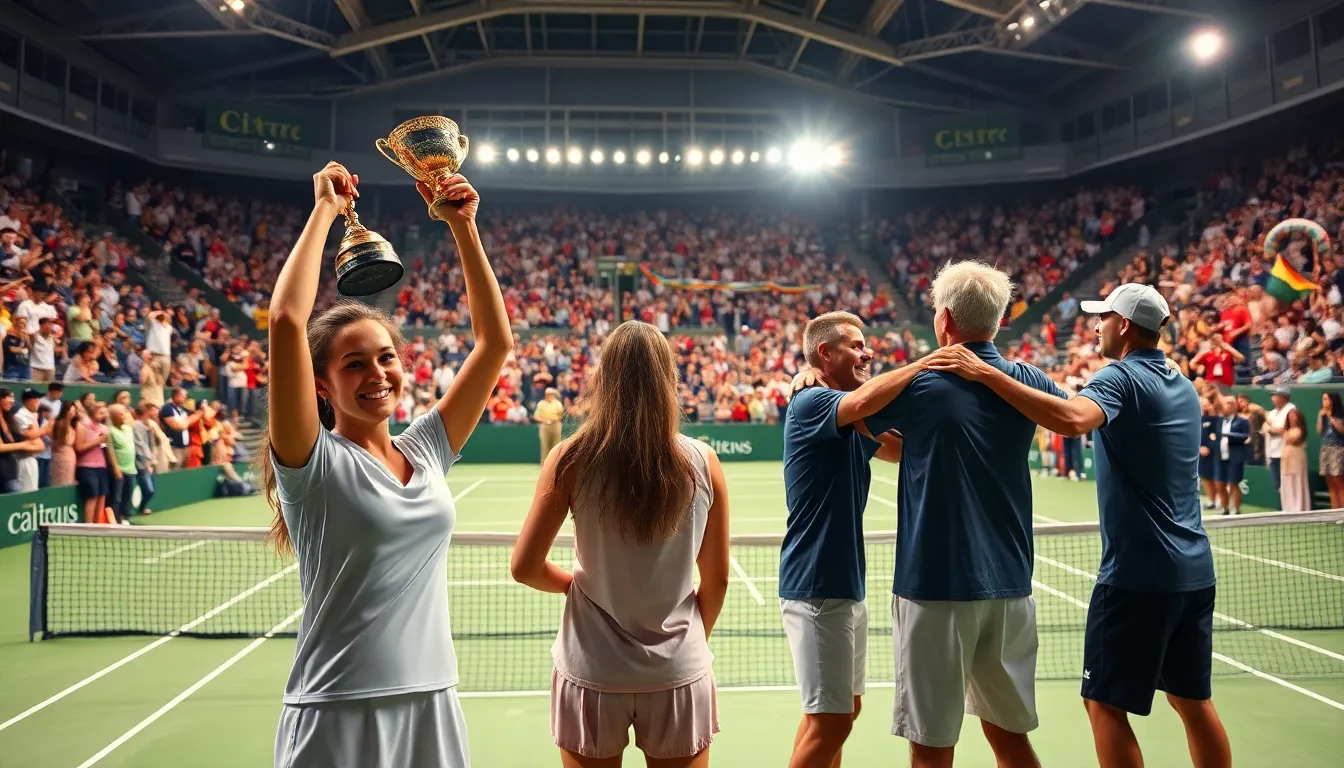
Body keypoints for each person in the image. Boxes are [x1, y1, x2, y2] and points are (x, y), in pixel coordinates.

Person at [924, 282, 1231, 768]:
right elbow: (1069, 404)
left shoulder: (1120, 378)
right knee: (1192, 701)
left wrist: (985, 374)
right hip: (1195, 569)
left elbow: (1070, 419)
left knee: (1103, 703)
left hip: (1137, 574)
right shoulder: (1182, 382)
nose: (1095, 325)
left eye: (1103, 317)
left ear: (1124, 326)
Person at [265, 161, 509, 768]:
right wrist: (324, 209)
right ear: (321, 385)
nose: (377, 374)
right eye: (354, 365)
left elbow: (494, 344)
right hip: (338, 709)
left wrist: (463, 226)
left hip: (432, 700)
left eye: (386, 358)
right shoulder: (311, 464)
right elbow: (286, 322)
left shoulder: (425, 449)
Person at [854, 263, 1058, 768]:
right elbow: (1067, 411)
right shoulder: (1028, 380)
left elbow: (858, 419)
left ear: (944, 320)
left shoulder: (922, 385)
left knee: (931, 748)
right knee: (1011, 740)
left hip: (936, 588)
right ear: (999, 321)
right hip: (1011, 584)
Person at [510, 321, 732, 768]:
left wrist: (578, 585)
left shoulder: (570, 458)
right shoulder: (703, 462)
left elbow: (525, 567)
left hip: (592, 671)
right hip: (678, 674)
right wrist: (683, 648)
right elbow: (718, 578)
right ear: (669, 379)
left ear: (603, 380)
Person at [778, 310, 920, 768]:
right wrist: (927, 363)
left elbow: (899, 449)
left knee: (838, 712)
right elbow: (862, 405)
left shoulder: (852, 419)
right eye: (857, 346)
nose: (869, 352)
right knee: (833, 720)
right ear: (825, 353)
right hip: (818, 583)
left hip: (844, 583)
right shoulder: (811, 403)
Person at [74, 401, 114, 523]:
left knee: (102, 496)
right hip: (86, 466)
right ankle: (89, 526)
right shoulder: (81, 426)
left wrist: (103, 441)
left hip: (101, 466)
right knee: (92, 496)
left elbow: (104, 447)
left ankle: (98, 525)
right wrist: (98, 441)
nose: (104, 415)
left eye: (105, 412)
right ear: (92, 412)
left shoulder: (104, 428)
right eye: (101, 412)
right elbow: (79, 448)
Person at [1214, 397, 1251, 516]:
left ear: (1235, 406)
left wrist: (1228, 435)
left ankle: (1236, 509)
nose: (1226, 406)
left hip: (1235, 456)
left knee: (1233, 483)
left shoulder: (1242, 421)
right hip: (1220, 456)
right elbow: (1214, 436)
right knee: (1219, 483)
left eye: (1229, 403)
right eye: (1224, 403)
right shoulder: (1219, 421)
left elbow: (1245, 436)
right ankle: (1225, 509)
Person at [11, 388, 47, 492]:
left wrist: (38, 433)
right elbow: (31, 435)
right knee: (27, 492)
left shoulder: (32, 414)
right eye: (37, 399)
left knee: (32, 491)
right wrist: (46, 429)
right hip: (24, 459)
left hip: (32, 457)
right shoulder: (20, 415)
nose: (39, 402)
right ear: (29, 401)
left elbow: (37, 438)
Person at [1261, 387, 1297, 494]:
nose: (1272, 398)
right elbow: (1266, 428)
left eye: (1275, 396)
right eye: (1272, 396)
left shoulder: (1291, 409)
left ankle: (1292, 508)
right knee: (1278, 484)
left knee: (1288, 483)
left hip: (1285, 452)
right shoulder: (1273, 412)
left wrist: (1272, 429)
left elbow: (1283, 429)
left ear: (1284, 397)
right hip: (1273, 452)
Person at [107, 404, 138, 523]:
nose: (124, 416)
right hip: (119, 470)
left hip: (131, 469)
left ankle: (125, 518)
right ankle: (114, 520)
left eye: (124, 413)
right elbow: (110, 451)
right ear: (113, 417)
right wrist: (115, 468)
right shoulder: (110, 431)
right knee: (117, 498)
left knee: (127, 497)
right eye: (120, 414)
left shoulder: (128, 428)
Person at [1278, 408, 1311, 512]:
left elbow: (1290, 439)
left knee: (1297, 482)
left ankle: (1299, 508)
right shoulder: (1287, 430)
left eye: (1294, 415)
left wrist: (1283, 431)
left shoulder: (1299, 430)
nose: (1291, 418)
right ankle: (1288, 508)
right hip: (1286, 459)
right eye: (1290, 415)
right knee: (1287, 482)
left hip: (1297, 459)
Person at [132, 401, 161, 515]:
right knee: (148, 489)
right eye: (149, 411)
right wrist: (148, 462)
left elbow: (152, 444)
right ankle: (140, 508)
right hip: (141, 464)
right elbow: (140, 446)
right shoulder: (136, 426)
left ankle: (142, 507)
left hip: (149, 463)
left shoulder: (149, 425)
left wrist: (152, 460)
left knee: (151, 489)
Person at [1318, 391, 1344, 508]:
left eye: (1326, 399)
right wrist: (1320, 416)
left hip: (1338, 450)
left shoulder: (1340, 416)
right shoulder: (1323, 415)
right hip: (1325, 449)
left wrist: (1330, 417)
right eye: (1323, 399)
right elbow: (1319, 431)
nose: (1324, 402)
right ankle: (1333, 513)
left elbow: (1341, 430)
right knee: (1330, 483)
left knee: (1339, 482)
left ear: (1333, 401)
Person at [49, 401, 79, 488]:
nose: (73, 414)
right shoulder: (61, 423)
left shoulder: (72, 424)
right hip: (62, 455)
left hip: (70, 455)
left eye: (74, 411)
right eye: (71, 411)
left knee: (69, 480)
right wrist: (67, 420)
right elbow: (62, 438)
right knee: (61, 481)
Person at [532, 387, 565, 462]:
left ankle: (556, 462)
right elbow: (536, 416)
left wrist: (555, 419)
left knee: (556, 444)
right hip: (544, 425)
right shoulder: (541, 404)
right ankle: (544, 463)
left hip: (556, 424)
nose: (550, 395)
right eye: (548, 394)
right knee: (545, 445)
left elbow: (561, 414)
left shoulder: (557, 403)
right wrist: (545, 420)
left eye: (551, 394)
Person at [1198, 398, 1219, 510]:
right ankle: (1211, 500)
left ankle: (1220, 499)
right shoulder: (1198, 419)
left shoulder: (1217, 420)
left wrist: (1209, 448)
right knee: (1205, 477)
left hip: (1215, 453)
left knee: (1216, 477)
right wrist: (1199, 448)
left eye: (1207, 404)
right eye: (1202, 405)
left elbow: (1217, 436)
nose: (1204, 407)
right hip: (1201, 453)